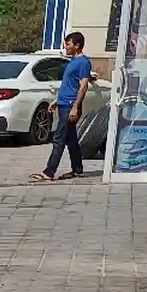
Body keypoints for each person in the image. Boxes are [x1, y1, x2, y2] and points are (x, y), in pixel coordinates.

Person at [33, 31, 94, 181]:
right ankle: (77, 169)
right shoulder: (71, 61)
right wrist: (56, 100)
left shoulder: (83, 62)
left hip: (70, 106)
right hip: (63, 103)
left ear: (77, 45)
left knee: (59, 138)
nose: (65, 47)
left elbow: (83, 86)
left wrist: (75, 107)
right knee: (71, 139)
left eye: (68, 44)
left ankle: (49, 172)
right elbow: (68, 84)